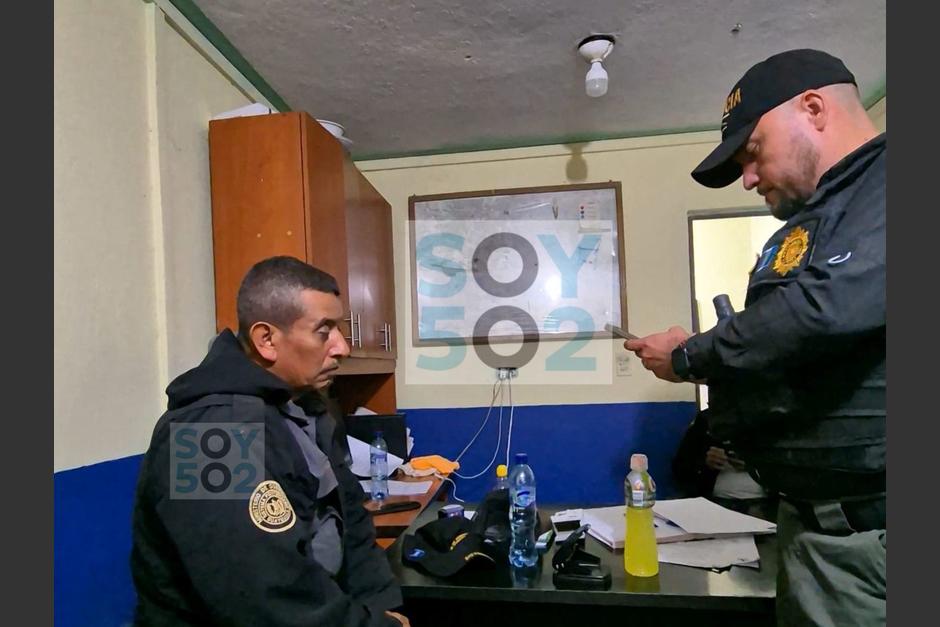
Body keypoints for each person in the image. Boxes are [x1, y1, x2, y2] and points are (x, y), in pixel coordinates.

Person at [625, 49, 885, 626]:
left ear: (814, 109)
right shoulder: (814, 221)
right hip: (810, 527)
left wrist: (691, 354)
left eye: (752, 153)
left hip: (869, 536)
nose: (747, 179)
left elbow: (828, 307)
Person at [131, 256, 410, 626]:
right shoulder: (211, 435)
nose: (342, 347)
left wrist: (384, 609)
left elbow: (353, 525)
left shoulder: (308, 409)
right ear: (266, 340)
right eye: (324, 330)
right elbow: (259, 594)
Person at [671, 408, 774, 518]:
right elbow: (680, 468)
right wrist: (705, 463)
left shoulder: (775, 418)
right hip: (716, 503)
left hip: (765, 504)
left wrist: (756, 464)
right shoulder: (707, 420)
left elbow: (788, 467)